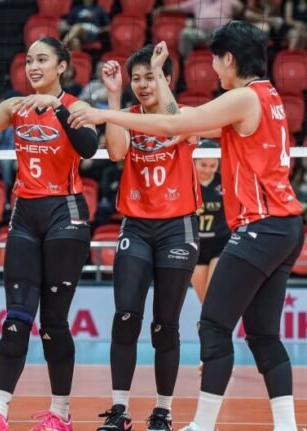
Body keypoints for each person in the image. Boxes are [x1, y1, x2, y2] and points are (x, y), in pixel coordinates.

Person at [69, 21, 304, 431]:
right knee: (263, 335)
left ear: (229, 59)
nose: (212, 68)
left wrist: (100, 112)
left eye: (215, 60)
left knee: (213, 325)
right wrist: (158, 76)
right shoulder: (268, 97)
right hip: (286, 228)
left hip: (260, 226)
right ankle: (286, 426)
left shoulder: (243, 97)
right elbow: (184, 119)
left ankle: (202, 425)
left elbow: (173, 125)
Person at [0, 36, 98, 431]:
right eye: (29, 60)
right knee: (15, 319)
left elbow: (88, 148)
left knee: (53, 323)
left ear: (61, 66)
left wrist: (58, 108)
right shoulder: (14, 107)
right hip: (25, 217)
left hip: (65, 216)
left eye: (42, 60)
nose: (33, 67)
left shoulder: (76, 107)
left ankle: (60, 414)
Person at [90, 43, 201, 431]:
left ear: (166, 79)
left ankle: (163, 411)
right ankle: (119, 409)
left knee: (164, 324)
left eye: (150, 77)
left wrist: (159, 69)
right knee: (125, 316)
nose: (142, 84)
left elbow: (175, 124)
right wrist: (114, 96)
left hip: (177, 227)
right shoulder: (128, 115)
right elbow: (116, 152)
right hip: (136, 226)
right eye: (136, 78)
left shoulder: (185, 115)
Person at [191, 140, 230, 305]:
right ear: (194, 161)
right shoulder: (185, 182)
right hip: (196, 246)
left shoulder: (225, 181)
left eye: (212, 165)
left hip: (221, 243)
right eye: (203, 165)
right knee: (206, 303)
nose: (207, 169)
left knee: (215, 295)